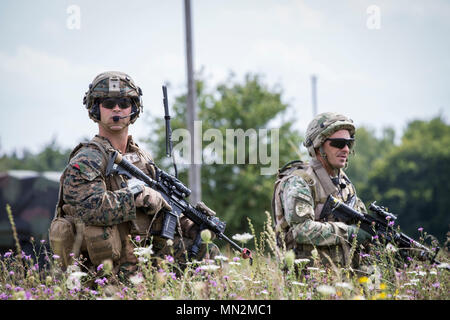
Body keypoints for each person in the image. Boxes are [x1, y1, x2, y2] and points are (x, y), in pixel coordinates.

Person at [50, 71, 214, 279]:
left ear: (134, 108)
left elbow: (162, 205)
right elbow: (86, 209)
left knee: (206, 253)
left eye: (124, 102)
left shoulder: (140, 156)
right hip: (103, 271)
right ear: (95, 108)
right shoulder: (88, 158)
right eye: (108, 103)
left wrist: (190, 225)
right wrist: (135, 196)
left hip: (143, 259)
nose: (117, 108)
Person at [272, 112, 372, 269]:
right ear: (318, 146)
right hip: (306, 280)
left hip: (343, 280)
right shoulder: (300, 181)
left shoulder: (344, 184)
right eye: (339, 143)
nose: (345, 149)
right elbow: (301, 230)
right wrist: (349, 233)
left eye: (349, 143)